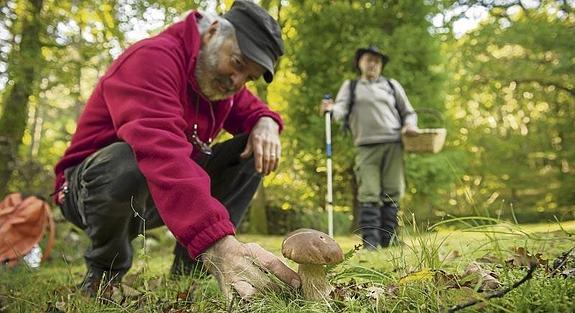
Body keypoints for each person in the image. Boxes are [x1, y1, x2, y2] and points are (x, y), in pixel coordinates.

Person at [53, 1, 300, 299]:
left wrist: (266, 123)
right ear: (211, 32)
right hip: (90, 192)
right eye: (237, 63)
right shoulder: (151, 59)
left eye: (249, 77)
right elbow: (161, 152)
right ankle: (105, 274)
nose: (237, 82)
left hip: (155, 194)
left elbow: (254, 109)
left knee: (250, 149)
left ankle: (190, 270)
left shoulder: (221, 85)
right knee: (125, 161)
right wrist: (217, 240)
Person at [321, 45, 419, 250]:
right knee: (369, 191)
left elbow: (408, 112)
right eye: (368, 60)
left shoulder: (392, 85)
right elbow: (340, 109)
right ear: (360, 63)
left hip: (394, 143)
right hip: (366, 145)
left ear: (381, 65)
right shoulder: (352, 86)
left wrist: (411, 125)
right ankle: (370, 242)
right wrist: (330, 110)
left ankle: (389, 239)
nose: (373, 64)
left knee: (392, 191)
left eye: (377, 61)